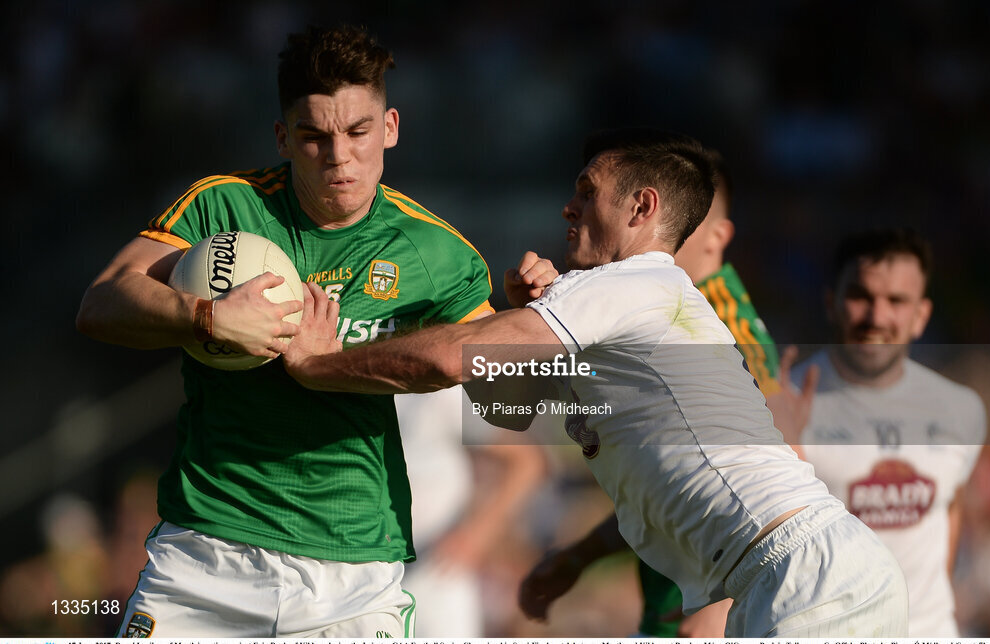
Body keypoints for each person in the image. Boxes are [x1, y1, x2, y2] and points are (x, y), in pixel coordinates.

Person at [282, 128, 909, 637]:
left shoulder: (628, 285)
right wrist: (513, 323)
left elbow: (452, 359)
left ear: (642, 207)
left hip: (803, 578)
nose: (568, 205)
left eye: (588, 190)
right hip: (793, 577)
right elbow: (507, 409)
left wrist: (318, 364)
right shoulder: (632, 312)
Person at [75, 24, 493, 638]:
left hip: (352, 573)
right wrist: (207, 317)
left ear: (391, 128)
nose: (339, 157)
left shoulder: (437, 252)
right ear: (282, 138)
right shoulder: (224, 207)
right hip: (204, 556)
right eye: (314, 136)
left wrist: (536, 311)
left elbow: (518, 391)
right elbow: (101, 303)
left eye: (358, 132)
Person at [516, 149, 779, 637]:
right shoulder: (652, 319)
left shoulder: (730, 332)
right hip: (669, 605)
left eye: (689, 222)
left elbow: (769, 486)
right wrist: (580, 556)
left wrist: (718, 611)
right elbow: (667, 485)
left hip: (719, 608)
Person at [782, 228, 986, 636]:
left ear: (921, 316)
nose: (877, 317)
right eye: (861, 296)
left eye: (896, 301)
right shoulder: (781, 406)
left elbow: (949, 509)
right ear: (831, 303)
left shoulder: (962, 409)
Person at [395, 387, 546, 636]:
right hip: (367, 575)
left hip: (437, 573)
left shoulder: (437, 393)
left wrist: (477, 535)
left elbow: (526, 461)